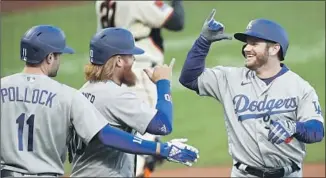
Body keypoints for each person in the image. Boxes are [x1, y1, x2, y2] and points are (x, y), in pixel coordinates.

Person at [0, 25, 199, 177]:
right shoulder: (67, 96)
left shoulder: (81, 92)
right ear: (49, 57)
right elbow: (108, 134)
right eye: (59, 55)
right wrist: (161, 148)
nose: (134, 61)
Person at [179, 9, 324, 178]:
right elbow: (189, 79)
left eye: (254, 43)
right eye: (247, 43)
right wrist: (203, 42)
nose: (246, 48)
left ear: (274, 49)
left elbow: (317, 131)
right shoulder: (229, 79)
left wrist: (294, 127)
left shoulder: (300, 87)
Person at [69, 27, 180, 177]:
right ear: (119, 61)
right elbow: (163, 125)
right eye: (131, 55)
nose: (134, 60)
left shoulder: (82, 93)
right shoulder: (115, 96)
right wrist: (163, 83)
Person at [94, 1, 185, 176]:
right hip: (138, 70)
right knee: (149, 134)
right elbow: (176, 21)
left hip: (113, 70)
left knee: (124, 133)